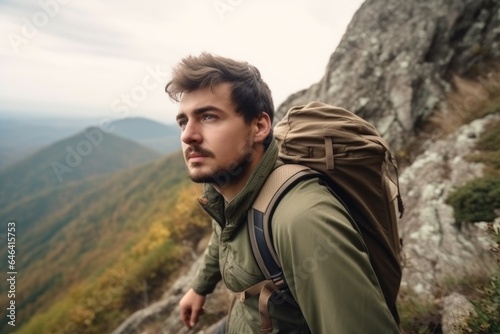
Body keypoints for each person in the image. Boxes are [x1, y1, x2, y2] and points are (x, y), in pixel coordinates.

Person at [165, 52, 400, 333]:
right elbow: (225, 231)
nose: (188, 135)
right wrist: (199, 288)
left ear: (260, 126)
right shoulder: (227, 188)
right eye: (183, 121)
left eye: (208, 116)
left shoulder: (303, 220)